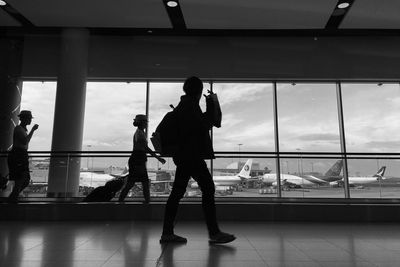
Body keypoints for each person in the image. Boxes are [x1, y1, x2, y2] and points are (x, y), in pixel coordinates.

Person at [160, 76, 236, 244]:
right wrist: (211, 105)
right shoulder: (190, 107)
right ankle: (214, 232)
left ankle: (167, 232)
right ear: (199, 91)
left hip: (184, 157)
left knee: (177, 193)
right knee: (208, 188)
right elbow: (205, 124)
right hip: (191, 156)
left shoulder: (183, 107)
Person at [119, 114, 166, 203]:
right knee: (141, 182)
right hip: (138, 160)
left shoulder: (140, 132)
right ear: (142, 123)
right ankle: (147, 202)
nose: (147, 124)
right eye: (145, 122)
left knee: (132, 182)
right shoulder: (140, 134)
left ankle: (121, 201)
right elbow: (146, 148)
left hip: (137, 159)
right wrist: (158, 158)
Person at [7, 110, 39, 203]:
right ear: (24, 119)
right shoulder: (19, 129)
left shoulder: (21, 129)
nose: (30, 120)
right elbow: (25, 141)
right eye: (29, 118)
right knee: (22, 179)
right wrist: (33, 130)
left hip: (19, 156)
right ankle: (12, 199)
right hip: (19, 156)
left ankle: (13, 197)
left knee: (23, 179)